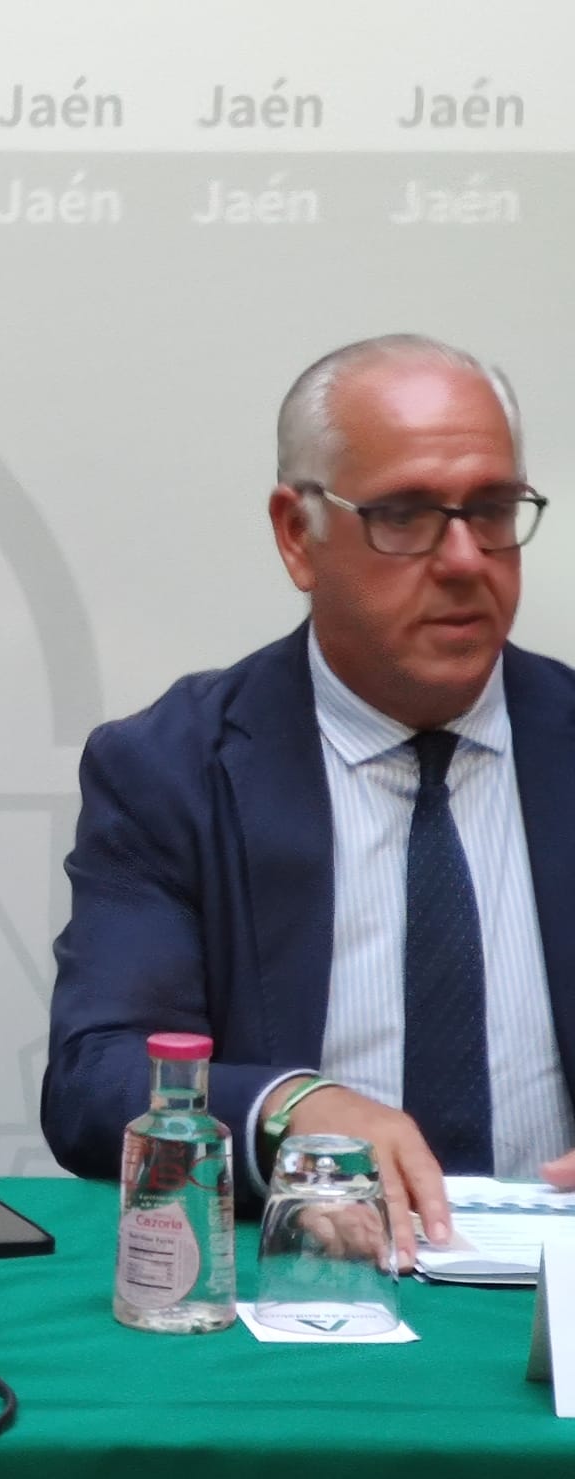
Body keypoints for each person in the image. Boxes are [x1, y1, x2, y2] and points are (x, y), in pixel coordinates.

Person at [43, 333, 575, 1254]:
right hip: (307, 1290)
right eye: (405, 515)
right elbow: (96, 1079)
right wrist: (291, 1105)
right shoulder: (172, 768)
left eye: (491, 510)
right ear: (299, 534)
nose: (463, 559)